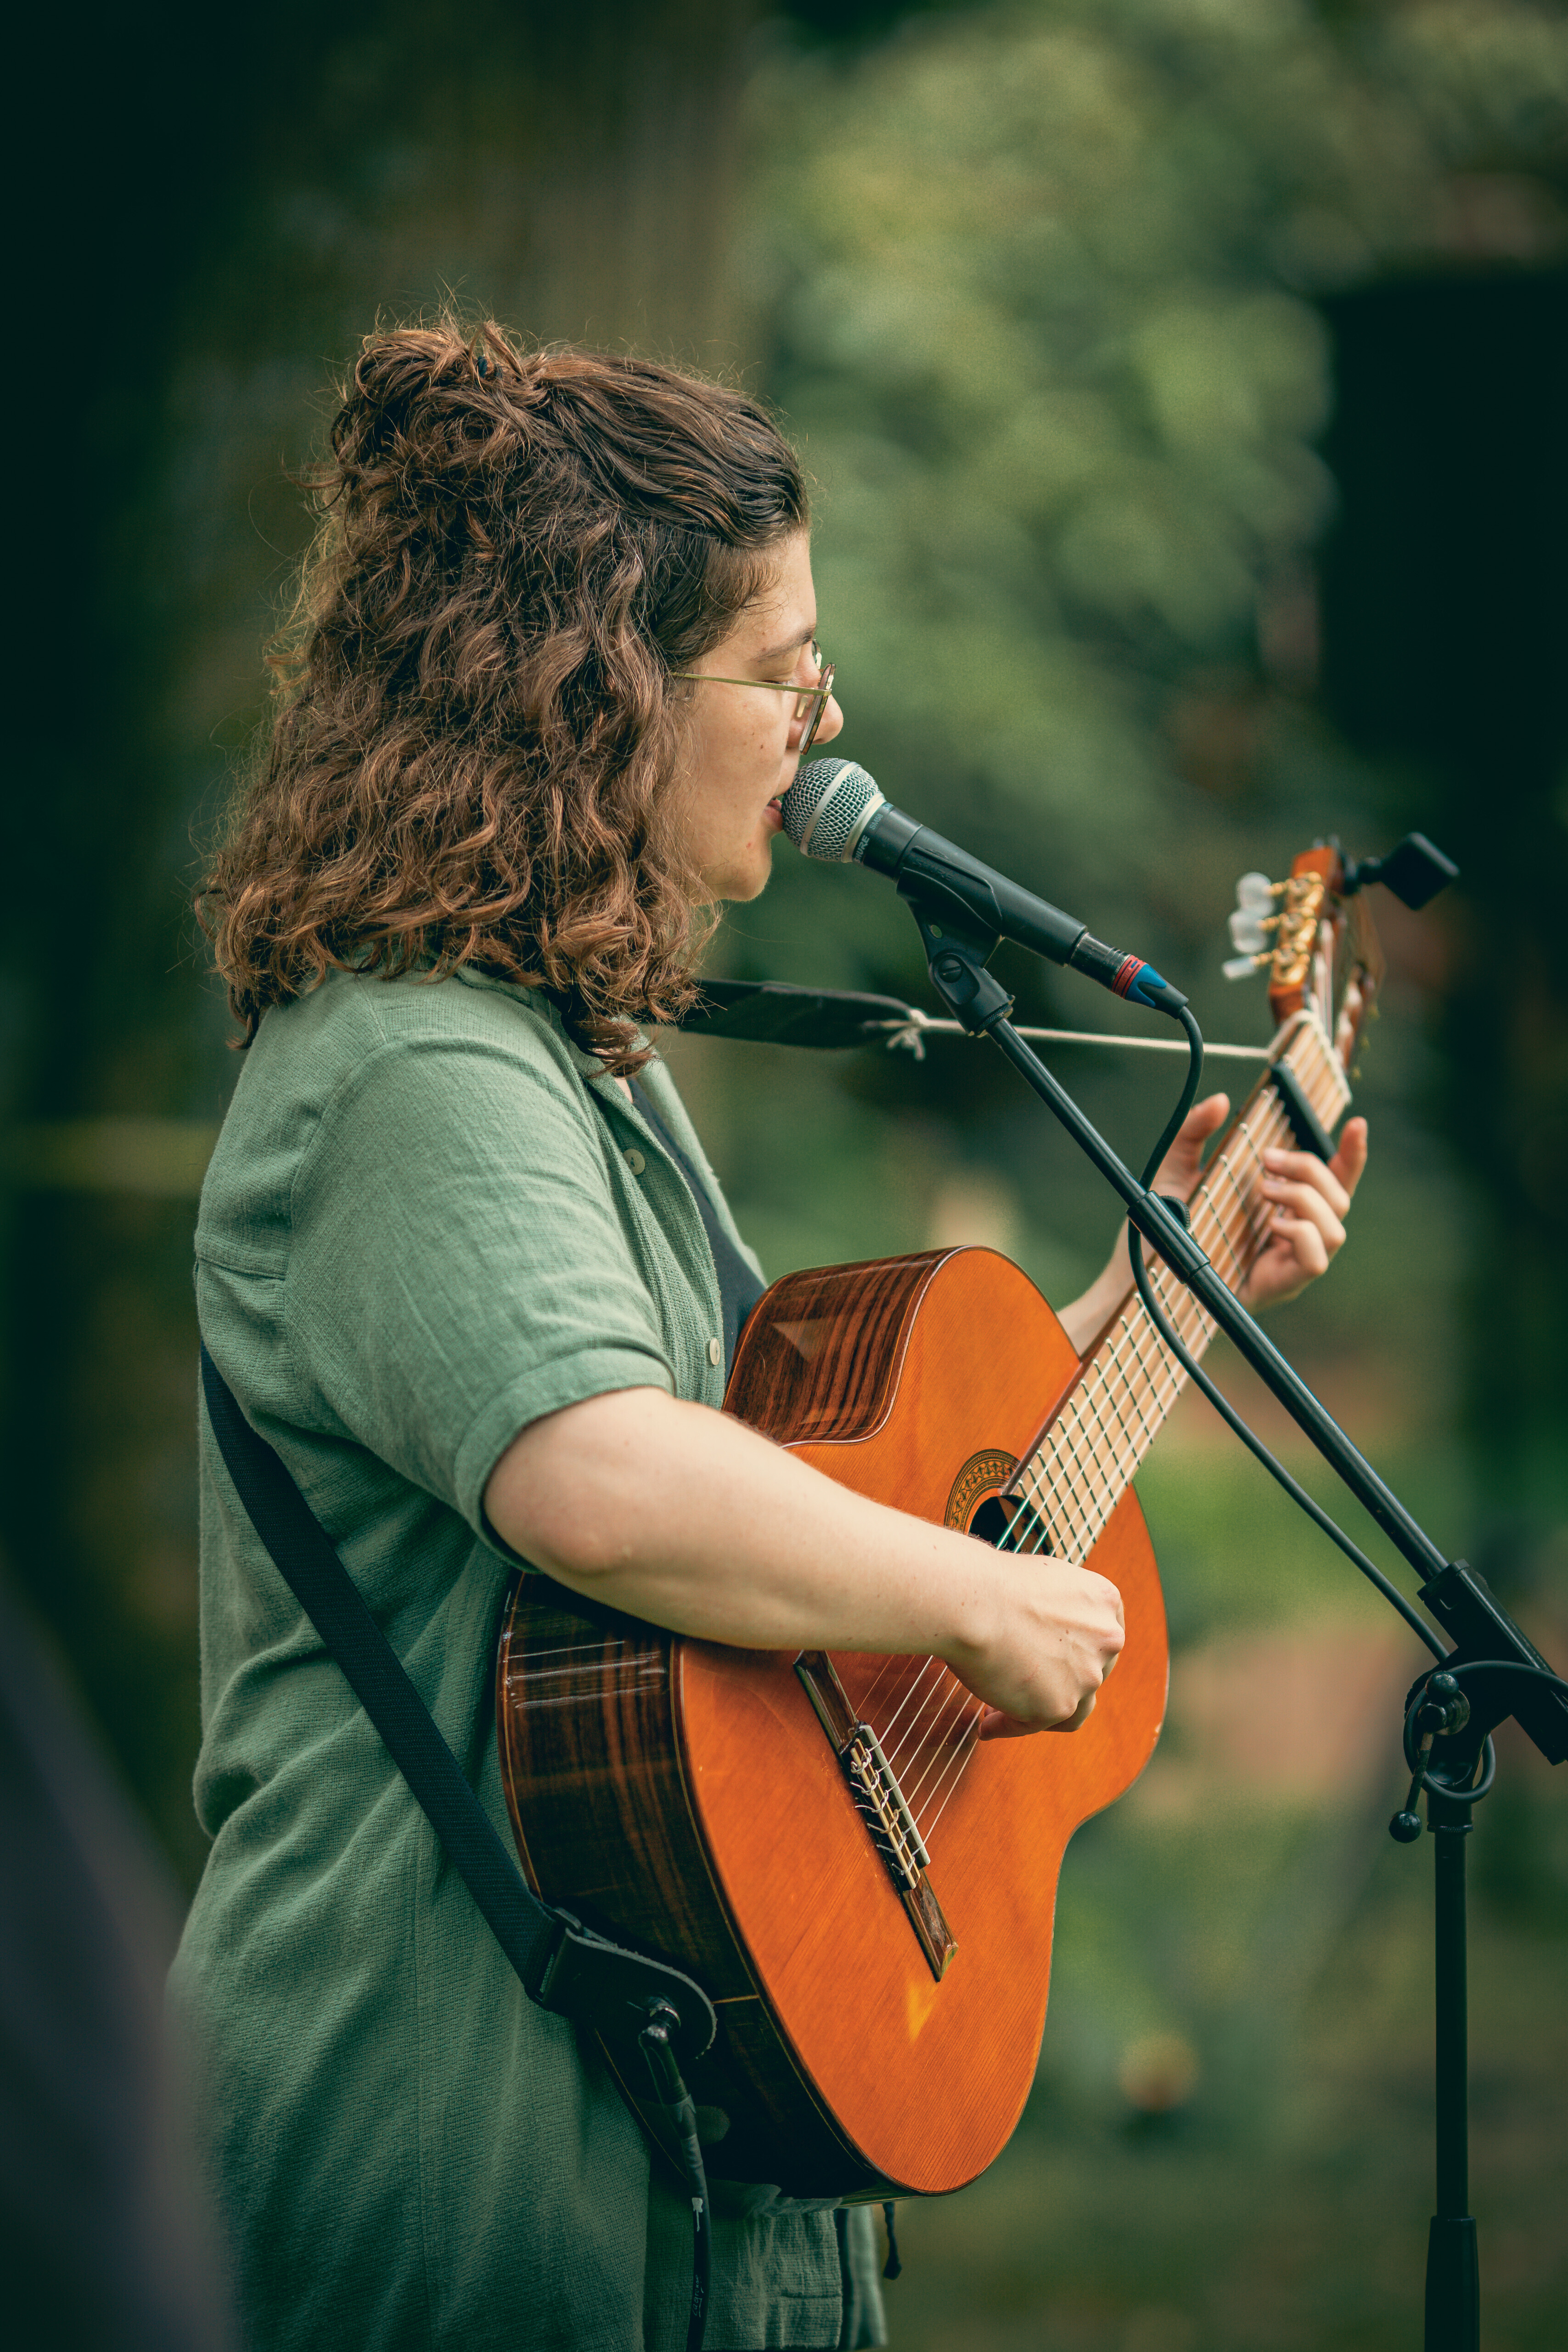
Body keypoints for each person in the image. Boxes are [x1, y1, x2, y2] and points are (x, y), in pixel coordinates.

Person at [175, 318, 1366, 2352]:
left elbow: (786, 1499)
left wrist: (1156, 1290)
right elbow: (607, 1478)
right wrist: (968, 1614)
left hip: (672, 2088)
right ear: (591, 698)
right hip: (451, 2116)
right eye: (782, 667)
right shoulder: (413, 1069)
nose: (826, 722)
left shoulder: (574, 1060)